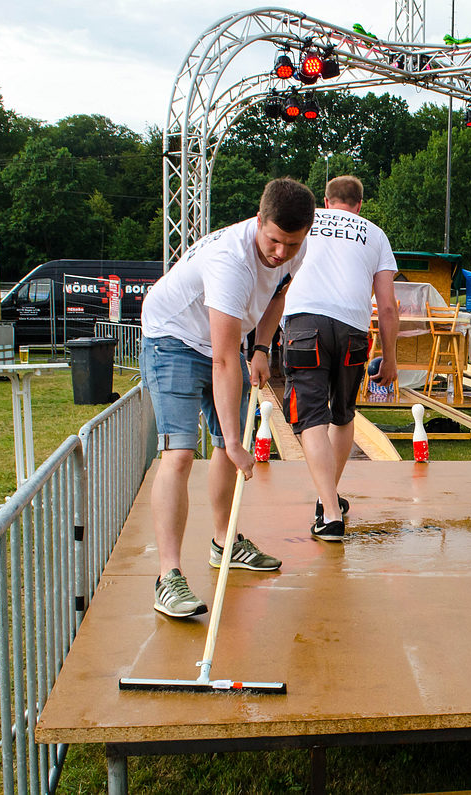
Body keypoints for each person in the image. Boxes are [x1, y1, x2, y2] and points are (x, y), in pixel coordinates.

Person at [140, 177, 316, 618]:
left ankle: (224, 543)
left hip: (221, 342)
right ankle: (168, 577)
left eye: (292, 244)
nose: (281, 252)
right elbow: (221, 361)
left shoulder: (296, 248)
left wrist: (261, 348)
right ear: (259, 220)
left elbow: (277, 296)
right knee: (180, 453)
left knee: (224, 448)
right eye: (274, 240)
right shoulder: (229, 262)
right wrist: (237, 442)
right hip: (172, 338)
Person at [280, 175, 399, 542]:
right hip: (352, 328)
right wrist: (390, 358)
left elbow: (277, 274)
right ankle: (326, 499)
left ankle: (330, 514)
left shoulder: (305, 220)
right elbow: (388, 306)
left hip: (304, 322)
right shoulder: (375, 234)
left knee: (311, 416)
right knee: (343, 413)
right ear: (359, 205)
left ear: (327, 201)